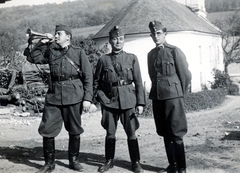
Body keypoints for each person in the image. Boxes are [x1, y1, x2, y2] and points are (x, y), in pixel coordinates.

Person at [23, 24, 93, 173]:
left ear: (68, 36)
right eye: (55, 34)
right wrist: (40, 44)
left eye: (59, 34)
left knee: (74, 129)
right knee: (47, 129)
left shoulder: (78, 53)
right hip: (54, 95)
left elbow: (88, 76)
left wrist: (87, 98)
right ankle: (49, 163)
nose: (55, 36)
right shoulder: (51, 51)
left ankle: (74, 160)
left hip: (74, 95)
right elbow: (32, 58)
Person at [93, 26, 146, 173]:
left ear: (124, 40)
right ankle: (109, 161)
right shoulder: (103, 60)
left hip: (128, 101)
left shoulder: (132, 58)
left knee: (131, 133)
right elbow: (96, 82)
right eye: (115, 39)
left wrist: (140, 103)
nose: (118, 42)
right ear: (110, 40)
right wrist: (102, 99)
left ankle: (135, 162)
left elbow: (139, 82)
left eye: (121, 39)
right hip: (110, 102)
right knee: (110, 133)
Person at [147, 20, 192, 173]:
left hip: (173, 97)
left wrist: (179, 93)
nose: (156, 36)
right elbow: (153, 76)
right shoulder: (151, 54)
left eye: (158, 33)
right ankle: (172, 165)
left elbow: (185, 75)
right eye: (153, 34)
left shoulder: (174, 51)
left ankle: (181, 168)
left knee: (176, 133)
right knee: (164, 132)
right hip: (157, 97)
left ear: (165, 34)